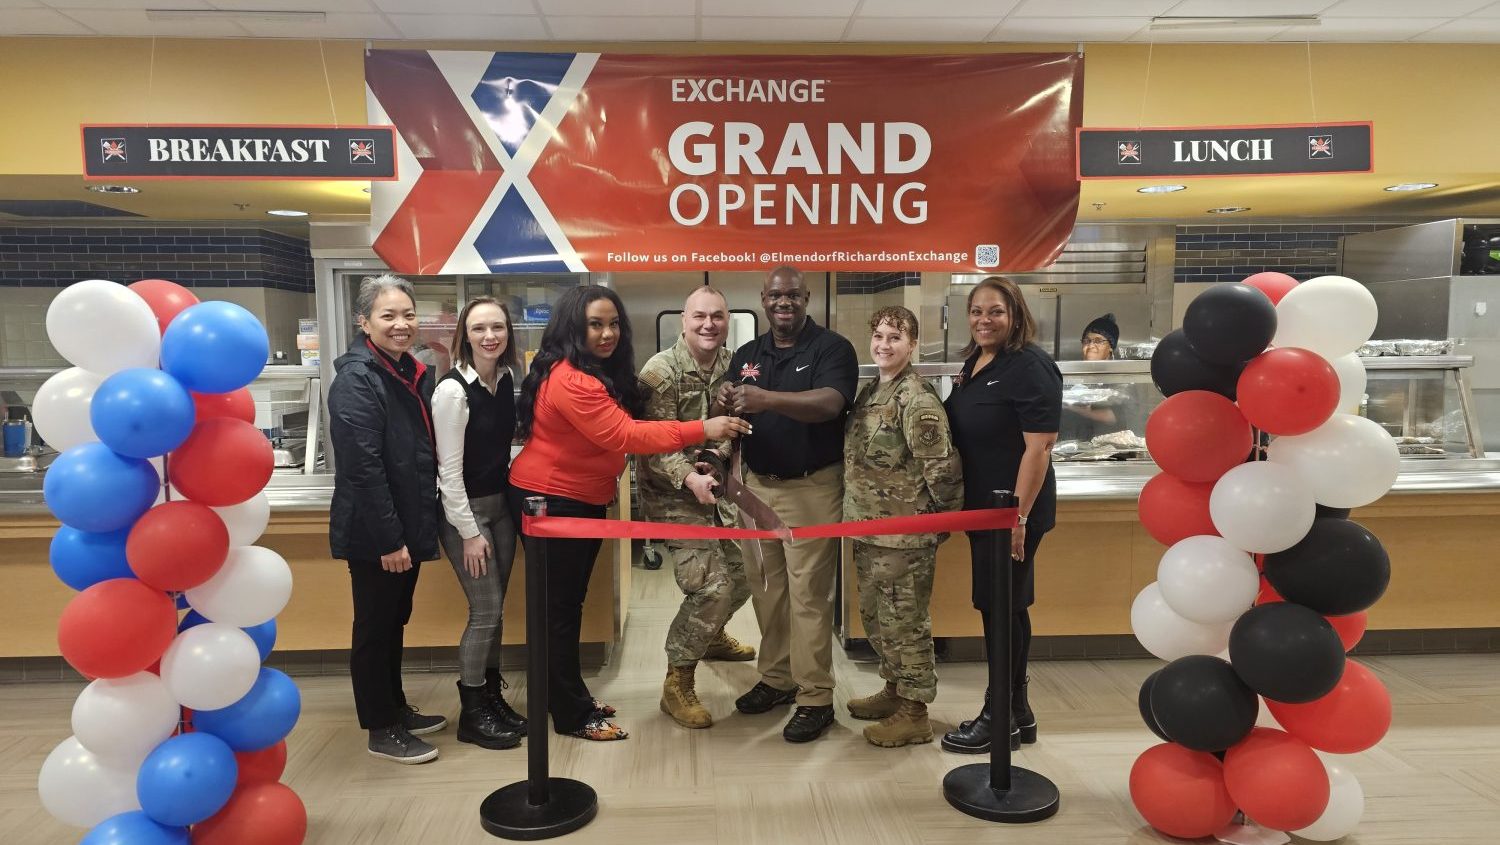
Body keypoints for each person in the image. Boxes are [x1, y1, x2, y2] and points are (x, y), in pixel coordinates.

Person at [509, 285, 751, 741]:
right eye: (594, 324)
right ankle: (571, 713)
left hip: (581, 497)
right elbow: (630, 436)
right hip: (553, 500)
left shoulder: (591, 369)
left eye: (613, 323)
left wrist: (714, 452)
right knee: (558, 610)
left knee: (565, 606)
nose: (606, 333)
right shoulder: (573, 379)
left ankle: (566, 697)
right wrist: (704, 428)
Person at [717, 266, 859, 744]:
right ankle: (777, 678)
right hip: (755, 488)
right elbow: (737, 410)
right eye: (776, 296)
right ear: (763, 298)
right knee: (767, 590)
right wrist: (729, 401)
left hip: (811, 490)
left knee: (808, 597)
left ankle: (815, 696)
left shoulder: (831, 348)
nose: (785, 303)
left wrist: (765, 398)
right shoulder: (747, 353)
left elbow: (828, 404)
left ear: (806, 297)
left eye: (794, 296)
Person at [328, 274, 448, 764]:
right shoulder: (358, 379)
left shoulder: (404, 369)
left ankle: (395, 707)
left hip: (403, 523)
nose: (401, 325)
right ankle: (381, 727)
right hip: (377, 532)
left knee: (396, 619)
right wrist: (390, 539)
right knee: (375, 626)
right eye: (388, 316)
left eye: (407, 315)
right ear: (364, 321)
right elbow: (363, 468)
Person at [940, 276, 1062, 755]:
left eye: (995, 311)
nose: (984, 320)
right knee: (1005, 606)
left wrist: (1018, 516)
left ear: (1015, 314)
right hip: (982, 511)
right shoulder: (978, 360)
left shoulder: (1029, 366)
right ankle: (1019, 712)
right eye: (976, 312)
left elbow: (1040, 448)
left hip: (1009, 512)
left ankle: (998, 716)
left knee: (1000, 608)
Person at [638, 286, 757, 730]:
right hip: (673, 495)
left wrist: (719, 459)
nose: (709, 325)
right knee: (711, 587)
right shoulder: (660, 371)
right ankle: (678, 681)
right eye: (699, 317)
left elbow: (732, 428)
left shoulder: (734, 366)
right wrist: (690, 477)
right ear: (682, 321)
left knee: (745, 575)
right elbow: (652, 441)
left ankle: (709, 636)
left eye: (718, 316)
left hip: (718, 489)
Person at [843, 306, 963, 748]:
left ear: (912, 344)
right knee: (878, 620)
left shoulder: (917, 399)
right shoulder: (873, 390)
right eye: (878, 335)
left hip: (904, 538)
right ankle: (895, 691)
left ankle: (915, 712)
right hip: (870, 531)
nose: (884, 344)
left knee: (905, 623)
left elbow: (942, 470)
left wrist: (939, 522)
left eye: (895, 337)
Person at [432, 296, 526, 751]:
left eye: (498, 327)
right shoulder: (452, 391)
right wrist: (469, 533)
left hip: (500, 509)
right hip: (464, 514)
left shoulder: (506, 378)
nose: (490, 336)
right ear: (464, 337)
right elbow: (447, 473)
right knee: (484, 611)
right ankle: (472, 714)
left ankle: (491, 698)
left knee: (497, 612)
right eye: (479, 329)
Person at [1060, 313, 1121, 443]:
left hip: (1107, 449)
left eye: (1098, 341)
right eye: (1087, 340)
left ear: (1110, 347)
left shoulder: (1119, 378)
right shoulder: (1072, 375)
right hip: (1071, 448)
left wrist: (1072, 407)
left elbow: (1114, 417)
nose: (1091, 345)